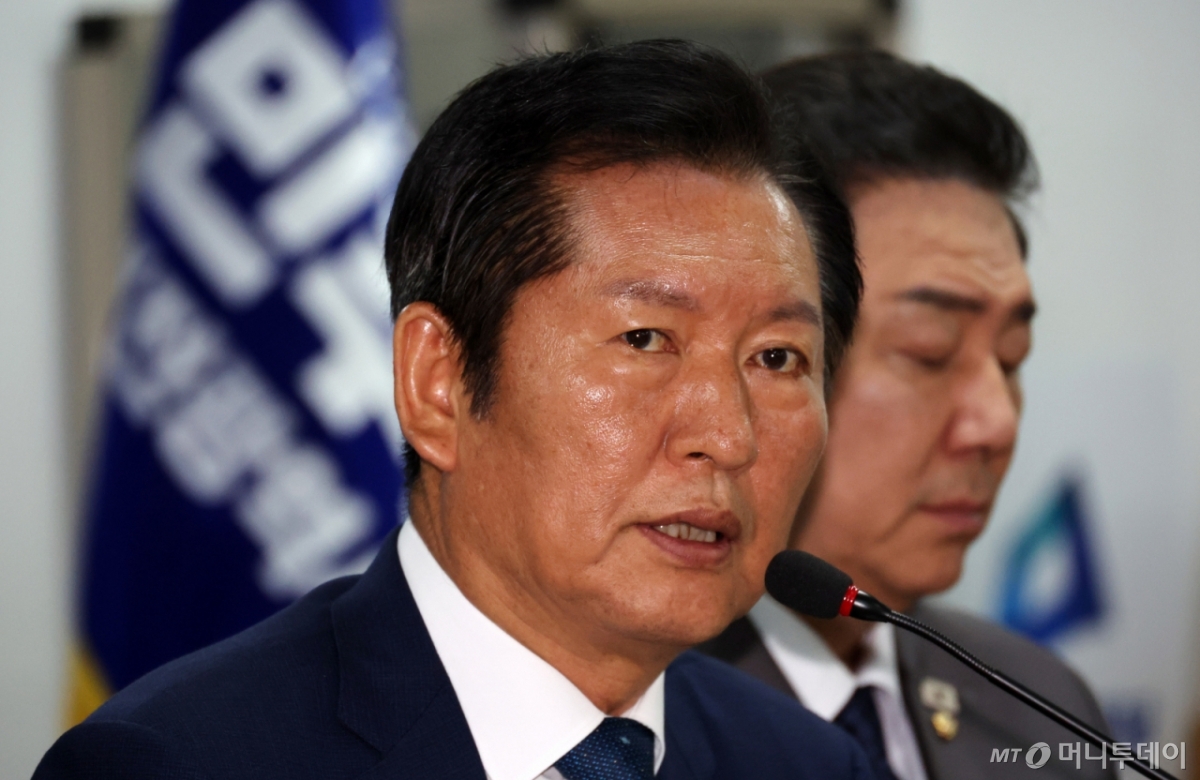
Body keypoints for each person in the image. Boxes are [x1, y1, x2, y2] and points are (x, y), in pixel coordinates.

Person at [35, 41, 873, 780]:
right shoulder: (178, 762)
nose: (728, 435)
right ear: (437, 382)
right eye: (646, 339)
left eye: (777, 358)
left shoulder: (808, 764)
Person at [700, 51, 1114, 780]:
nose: (996, 424)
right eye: (930, 352)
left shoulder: (1041, 710)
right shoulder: (633, 721)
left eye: (1011, 358)